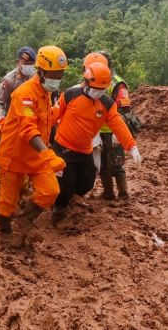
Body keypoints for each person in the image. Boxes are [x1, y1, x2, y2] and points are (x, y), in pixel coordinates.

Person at [51, 61, 142, 225]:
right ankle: (59, 209)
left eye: (102, 90)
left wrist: (131, 146)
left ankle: (72, 200)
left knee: (87, 182)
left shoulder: (106, 103)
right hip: (64, 148)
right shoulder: (71, 94)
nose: (98, 92)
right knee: (66, 185)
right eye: (95, 89)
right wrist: (40, 135)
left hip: (85, 150)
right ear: (86, 82)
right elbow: (52, 116)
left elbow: (118, 124)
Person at [0, 45, 68, 247]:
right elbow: (28, 129)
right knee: (7, 202)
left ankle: (25, 220)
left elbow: (46, 120)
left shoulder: (46, 92)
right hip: (15, 155)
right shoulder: (24, 94)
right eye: (53, 74)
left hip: (36, 155)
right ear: (41, 71)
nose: (57, 78)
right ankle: (5, 232)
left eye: (60, 74)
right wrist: (49, 155)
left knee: (51, 190)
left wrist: (62, 107)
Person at [94, 51, 137, 200]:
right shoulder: (95, 79)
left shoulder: (117, 84)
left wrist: (118, 134)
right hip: (98, 130)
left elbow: (125, 110)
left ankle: (123, 194)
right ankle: (108, 193)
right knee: (103, 165)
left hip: (113, 130)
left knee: (117, 164)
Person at [0, 46, 36, 122]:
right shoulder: (9, 80)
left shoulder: (36, 77)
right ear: (17, 62)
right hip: (13, 121)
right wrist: (0, 121)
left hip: (31, 119)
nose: (28, 66)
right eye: (26, 63)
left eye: (31, 64)